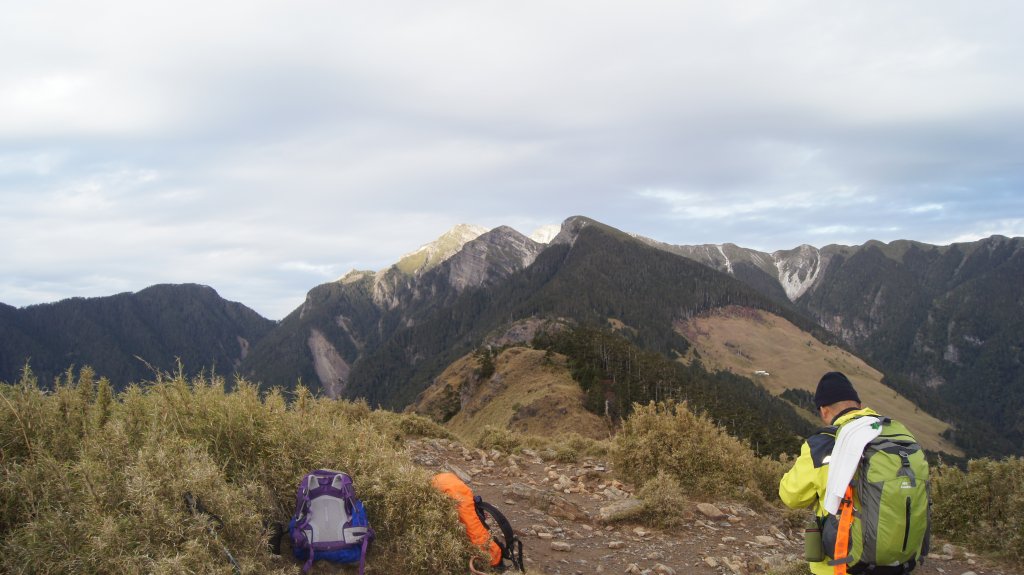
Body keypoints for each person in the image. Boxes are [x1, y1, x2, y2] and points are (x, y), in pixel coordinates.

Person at [778, 371, 927, 575]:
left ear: (823, 410)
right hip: (900, 562)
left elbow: (791, 496)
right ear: (858, 404)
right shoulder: (894, 432)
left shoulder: (826, 443)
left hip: (846, 564)